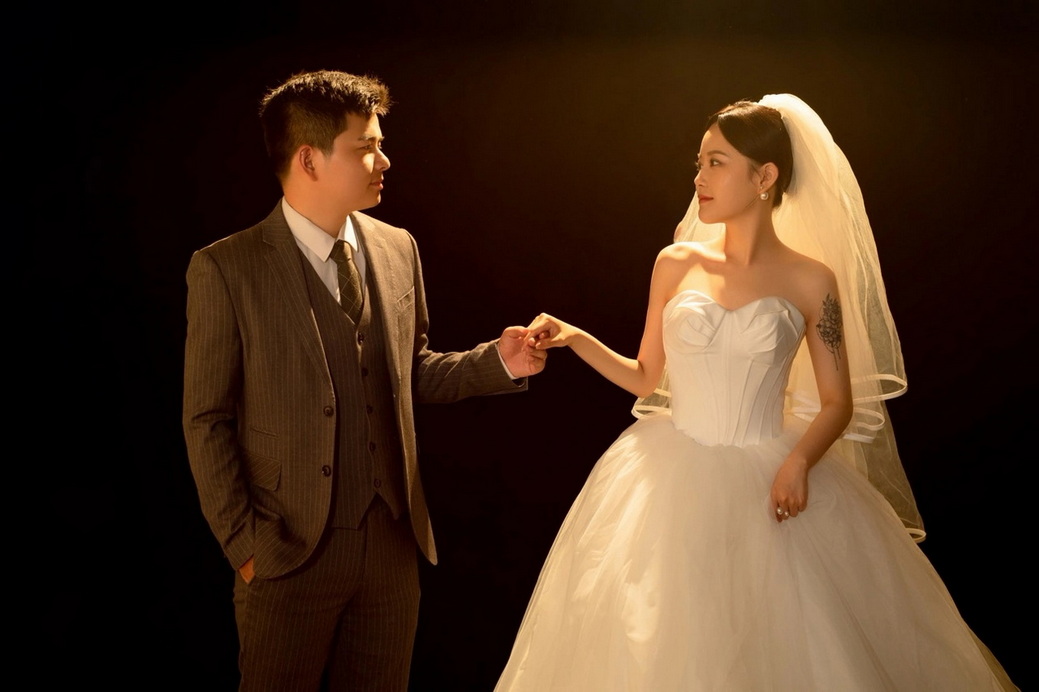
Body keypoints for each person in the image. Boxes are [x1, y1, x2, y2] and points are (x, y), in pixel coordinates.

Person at [495, 94, 1016, 690]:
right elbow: (644, 376)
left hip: (770, 472)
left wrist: (798, 463)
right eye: (699, 163)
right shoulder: (674, 263)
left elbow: (838, 401)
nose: (699, 179)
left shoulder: (811, 279)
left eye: (716, 163)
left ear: (765, 177)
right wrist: (575, 337)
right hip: (668, 476)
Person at [182, 69, 546, 691]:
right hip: (286, 553)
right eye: (366, 147)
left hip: (392, 549)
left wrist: (500, 362)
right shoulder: (227, 268)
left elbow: (409, 373)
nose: (384, 160)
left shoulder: (398, 247)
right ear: (308, 159)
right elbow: (206, 418)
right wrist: (245, 545)